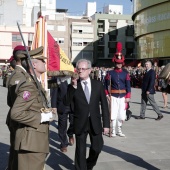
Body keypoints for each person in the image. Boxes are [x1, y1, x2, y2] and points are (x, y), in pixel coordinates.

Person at [10, 51, 54, 170]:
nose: (45, 63)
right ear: (34, 65)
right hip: (30, 143)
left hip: (36, 142)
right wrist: (41, 117)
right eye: (42, 61)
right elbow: (16, 113)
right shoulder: (29, 86)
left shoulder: (36, 84)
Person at [64, 59, 110, 170]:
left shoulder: (98, 85)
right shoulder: (74, 85)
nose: (80, 71)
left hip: (95, 121)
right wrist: (73, 86)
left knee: (97, 147)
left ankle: (88, 165)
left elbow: (104, 105)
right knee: (80, 150)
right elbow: (66, 102)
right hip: (80, 121)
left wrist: (106, 125)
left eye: (83, 69)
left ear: (89, 70)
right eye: (78, 69)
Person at [6, 45, 43, 170]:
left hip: (20, 119)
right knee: (17, 157)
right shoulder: (18, 75)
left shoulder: (21, 74)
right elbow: (14, 102)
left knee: (17, 156)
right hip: (18, 120)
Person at [104, 42, 131, 137]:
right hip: (113, 97)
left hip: (123, 97)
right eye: (117, 63)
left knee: (121, 114)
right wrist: (107, 95)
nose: (119, 65)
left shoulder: (125, 73)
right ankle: (113, 130)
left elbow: (128, 86)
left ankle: (119, 130)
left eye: (120, 63)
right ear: (115, 62)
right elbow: (105, 85)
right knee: (113, 114)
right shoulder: (110, 73)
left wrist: (128, 97)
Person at [50, 75, 77, 153]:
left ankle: (70, 133)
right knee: (62, 125)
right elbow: (53, 92)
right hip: (61, 105)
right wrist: (53, 106)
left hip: (73, 104)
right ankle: (63, 144)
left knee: (74, 123)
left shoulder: (75, 74)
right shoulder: (54, 76)